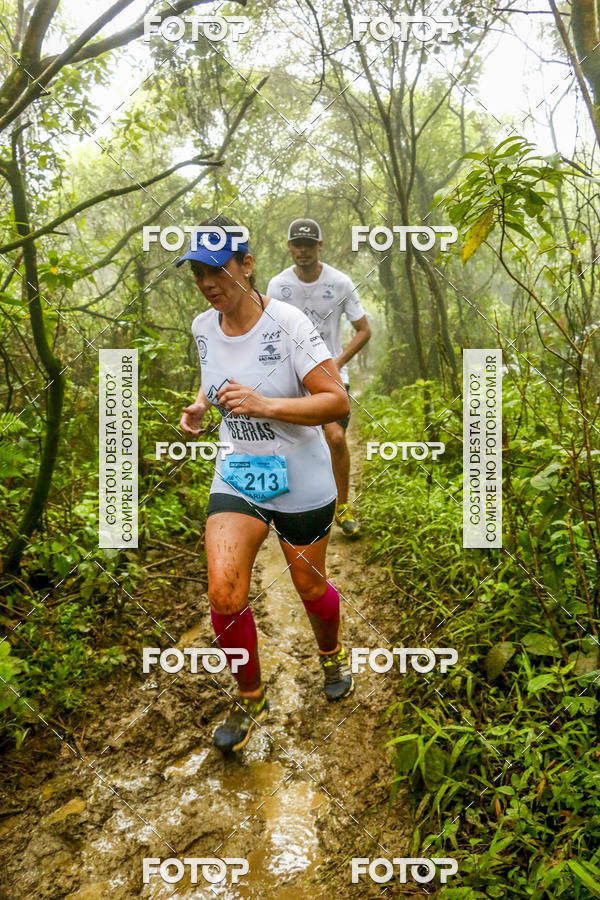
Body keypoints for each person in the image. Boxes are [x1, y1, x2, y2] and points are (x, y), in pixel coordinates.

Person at [178, 215, 354, 754]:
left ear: (246, 265)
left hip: (299, 472)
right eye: (197, 274)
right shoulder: (202, 327)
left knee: (308, 587)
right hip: (240, 469)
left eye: (218, 270)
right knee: (224, 593)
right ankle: (250, 695)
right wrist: (202, 404)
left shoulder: (291, 323)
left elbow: (336, 401)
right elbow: (218, 376)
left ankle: (331, 655)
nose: (208, 283)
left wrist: (264, 404)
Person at [267, 218, 371, 539]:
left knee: (336, 438)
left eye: (309, 245)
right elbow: (270, 333)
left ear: (319, 247)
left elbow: (364, 330)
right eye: (297, 244)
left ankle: (342, 507)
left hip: (331, 379)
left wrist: (335, 362)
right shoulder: (277, 286)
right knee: (292, 444)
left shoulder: (340, 282)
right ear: (289, 247)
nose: (303, 251)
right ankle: (291, 508)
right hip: (291, 380)